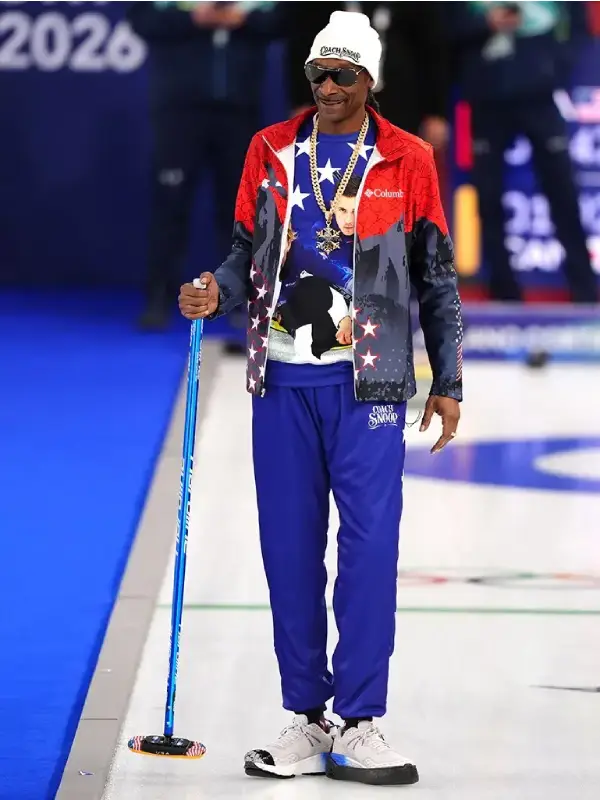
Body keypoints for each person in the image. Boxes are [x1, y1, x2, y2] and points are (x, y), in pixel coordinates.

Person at [179, 11, 463, 786]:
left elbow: (436, 274)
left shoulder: (407, 157)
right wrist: (216, 289)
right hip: (281, 380)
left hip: (371, 381)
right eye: (318, 74)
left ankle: (362, 722)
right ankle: (306, 718)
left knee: (369, 550)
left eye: (343, 74)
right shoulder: (269, 149)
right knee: (290, 551)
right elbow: (245, 252)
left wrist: (449, 380)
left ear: (371, 79)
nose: (328, 87)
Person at [127, 1, 283, 330]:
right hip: (179, 113)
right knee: (170, 206)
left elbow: (285, 20)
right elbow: (141, 19)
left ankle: (240, 298)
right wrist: (192, 19)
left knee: (241, 210)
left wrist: (245, 20)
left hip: (239, 112)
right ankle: (158, 297)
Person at [447, 1, 598, 303]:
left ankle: (584, 287)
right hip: (487, 97)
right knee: (488, 196)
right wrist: (485, 24)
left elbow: (577, 24)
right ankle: (502, 290)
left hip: (539, 94)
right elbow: (445, 26)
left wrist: (553, 65)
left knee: (562, 190)